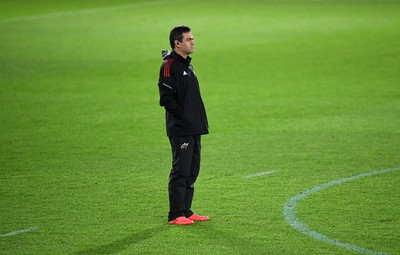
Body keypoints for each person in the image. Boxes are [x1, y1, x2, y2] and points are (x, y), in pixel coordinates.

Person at [158, 25, 209, 225]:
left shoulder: (187, 64)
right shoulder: (170, 65)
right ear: (177, 43)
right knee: (181, 170)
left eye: (193, 38)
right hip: (181, 129)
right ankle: (175, 215)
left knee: (192, 169)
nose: (193, 42)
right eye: (188, 39)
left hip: (194, 128)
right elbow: (166, 99)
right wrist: (183, 119)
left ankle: (186, 211)